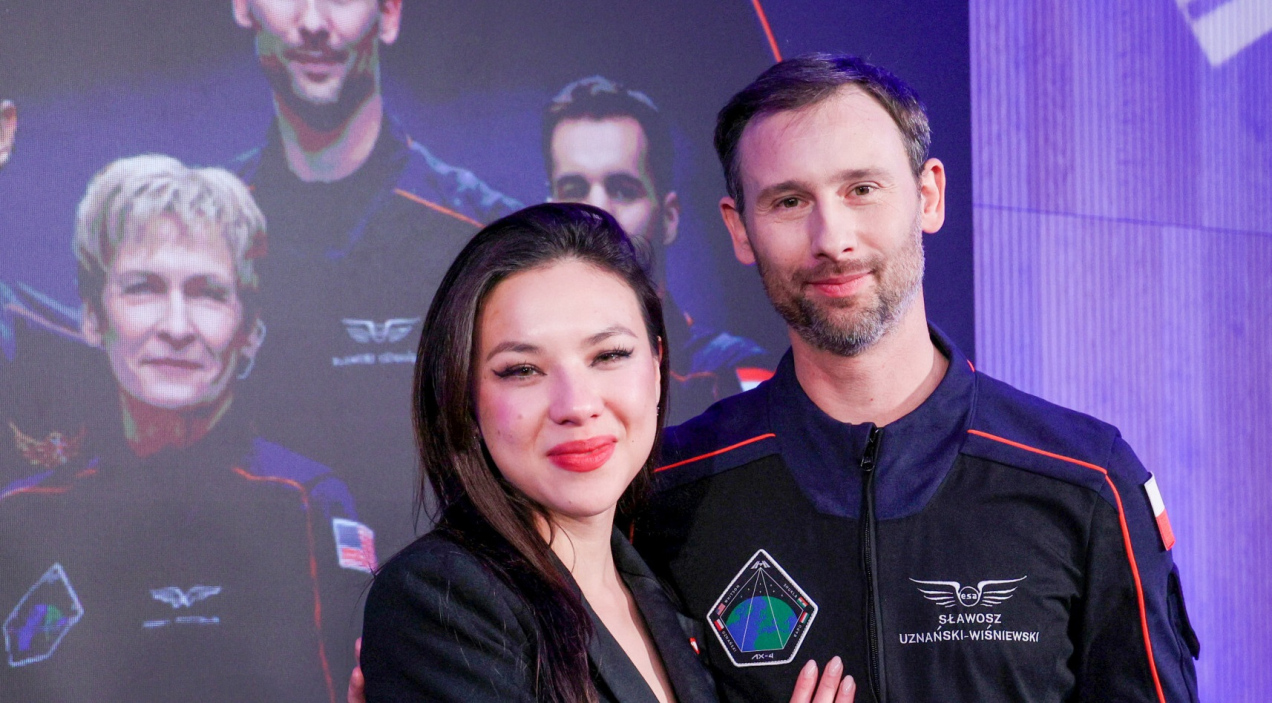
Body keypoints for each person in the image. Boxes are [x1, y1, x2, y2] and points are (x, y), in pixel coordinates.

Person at [632, 54, 1200, 702]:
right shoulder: (667, 495)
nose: (832, 238)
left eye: (861, 189)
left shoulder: (1086, 480)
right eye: (789, 201)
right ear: (740, 229)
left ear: (928, 196)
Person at [360, 203, 856, 703]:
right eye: (523, 370)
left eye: (609, 355)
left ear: (657, 366)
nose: (577, 406)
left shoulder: (662, 587)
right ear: (465, 395)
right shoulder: (441, 599)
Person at [0, 155, 368, 702]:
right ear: (93, 317)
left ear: (250, 329)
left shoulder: (310, 505)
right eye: (143, 288)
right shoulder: (20, 519)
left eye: (206, 293)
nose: (176, 327)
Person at [228, 0, 521, 561]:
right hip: (263, 598)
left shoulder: (485, 238)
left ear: (389, 13)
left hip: (449, 593)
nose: (313, 23)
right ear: (243, 7)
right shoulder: (204, 241)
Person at [544, 76, 768, 424]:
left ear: (669, 218)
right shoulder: (514, 373)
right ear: (549, 212)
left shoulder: (730, 374)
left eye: (623, 190)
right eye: (574, 190)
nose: (598, 212)